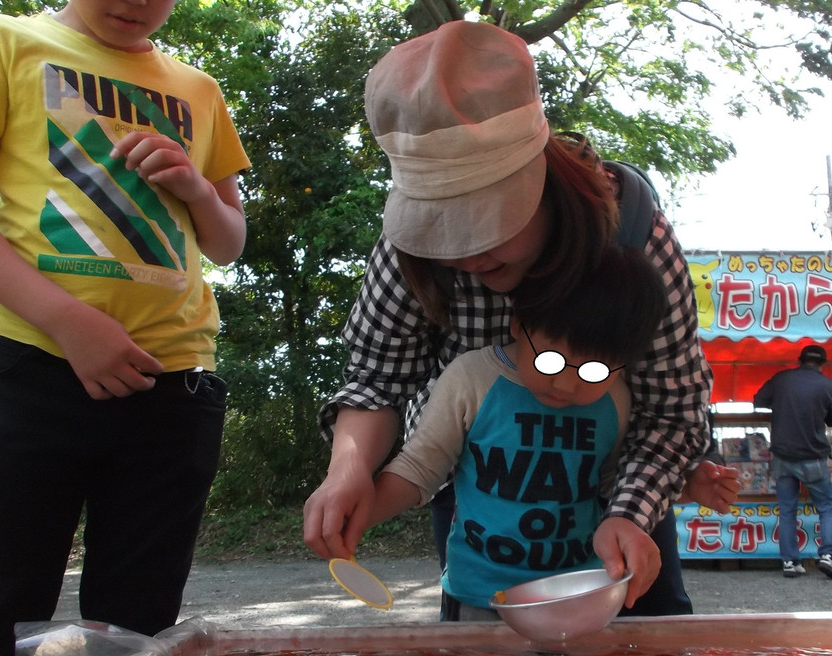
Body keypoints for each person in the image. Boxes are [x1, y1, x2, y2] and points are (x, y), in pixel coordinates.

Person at [303, 20, 726, 613]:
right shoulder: (411, 253)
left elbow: (671, 410)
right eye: (442, 227)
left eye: (487, 219)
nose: (465, 252)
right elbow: (377, 377)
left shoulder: (633, 239)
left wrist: (630, 513)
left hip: (616, 521)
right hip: (482, 500)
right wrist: (348, 469)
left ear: (542, 176)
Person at [0, 0, 250, 656]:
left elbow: (229, 240)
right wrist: (67, 321)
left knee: (137, 645)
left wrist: (196, 189)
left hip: (176, 386)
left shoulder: (198, 89)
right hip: (33, 367)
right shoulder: (0, 41)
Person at [342, 245, 734, 618]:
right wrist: (354, 514)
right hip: (479, 596)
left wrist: (684, 485)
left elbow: (612, 482)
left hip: (577, 592)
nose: (565, 384)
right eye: (550, 360)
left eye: (592, 371)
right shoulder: (470, 380)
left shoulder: (615, 399)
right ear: (519, 324)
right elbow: (420, 468)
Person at [753, 345, 832, 580]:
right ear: (823, 364)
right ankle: (829, 557)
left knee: (787, 510)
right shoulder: (828, 385)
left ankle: (790, 562)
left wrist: (782, 404)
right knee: (827, 507)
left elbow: (759, 400)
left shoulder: (782, 379)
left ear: (799, 360)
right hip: (813, 457)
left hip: (782, 457)